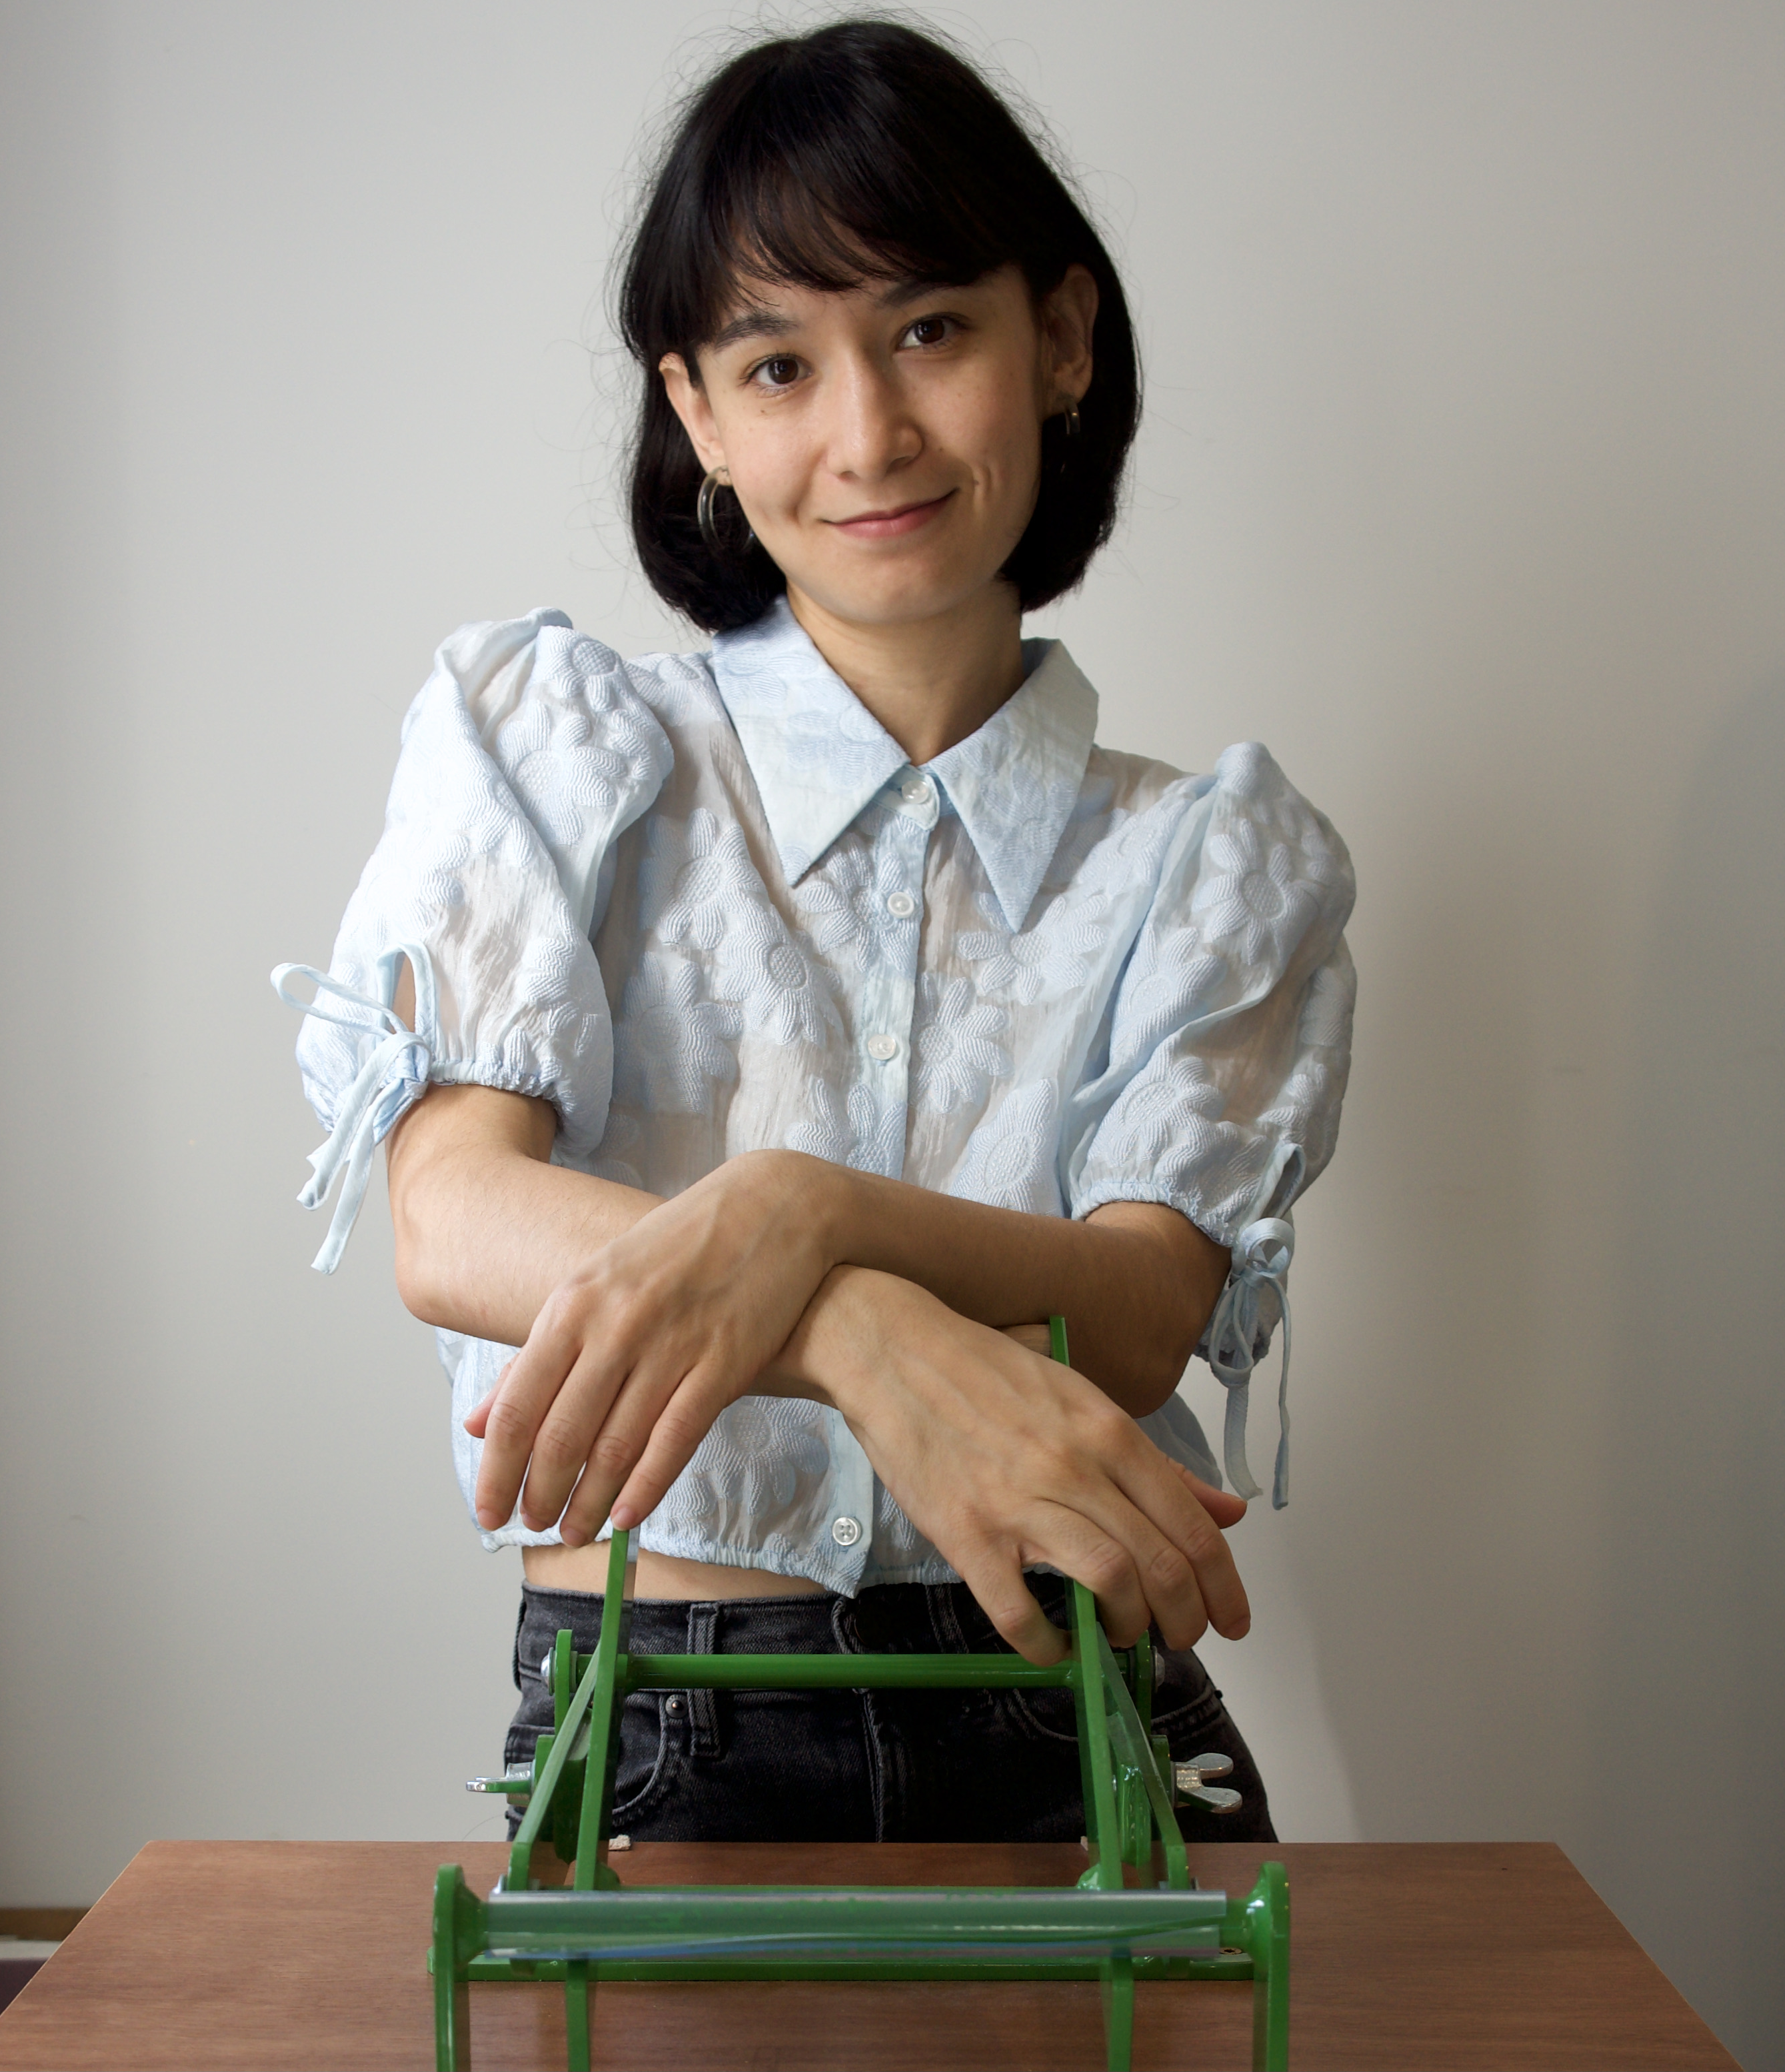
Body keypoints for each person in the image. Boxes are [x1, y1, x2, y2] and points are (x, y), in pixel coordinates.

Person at [276, 18, 1354, 1846]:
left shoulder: (1217, 857)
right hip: (664, 1717)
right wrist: (851, 1324)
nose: (868, 435)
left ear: (1061, 339)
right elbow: (450, 1218)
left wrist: (812, 1213)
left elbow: (1148, 1312)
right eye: (778, 364)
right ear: (694, 410)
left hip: (1082, 1713)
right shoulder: (547, 746)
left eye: (931, 329)